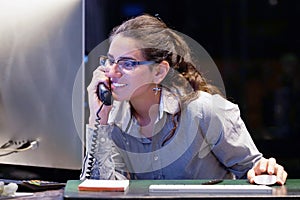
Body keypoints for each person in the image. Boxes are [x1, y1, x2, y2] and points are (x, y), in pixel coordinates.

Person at [80, 14, 287, 184]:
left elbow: (253, 171)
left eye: (127, 63)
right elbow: (100, 187)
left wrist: (262, 170)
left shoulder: (206, 110)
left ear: (159, 72)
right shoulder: (113, 116)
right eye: (110, 61)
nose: (112, 72)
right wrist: (98, 120)